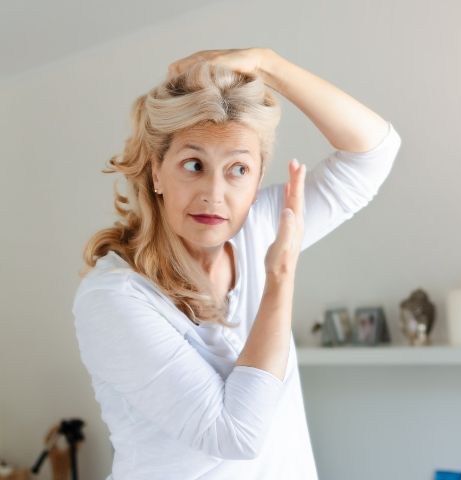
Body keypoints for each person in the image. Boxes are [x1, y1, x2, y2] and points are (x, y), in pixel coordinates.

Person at [72, 48, 401, 479]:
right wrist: (279, 279)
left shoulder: (257, 226)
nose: (214, 193)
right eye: (193, 165)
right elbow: (235, 434)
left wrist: (268, 64)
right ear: (156, 171)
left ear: (258, 178)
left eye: (237, 170)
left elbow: (374, 150)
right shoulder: (114, 298)